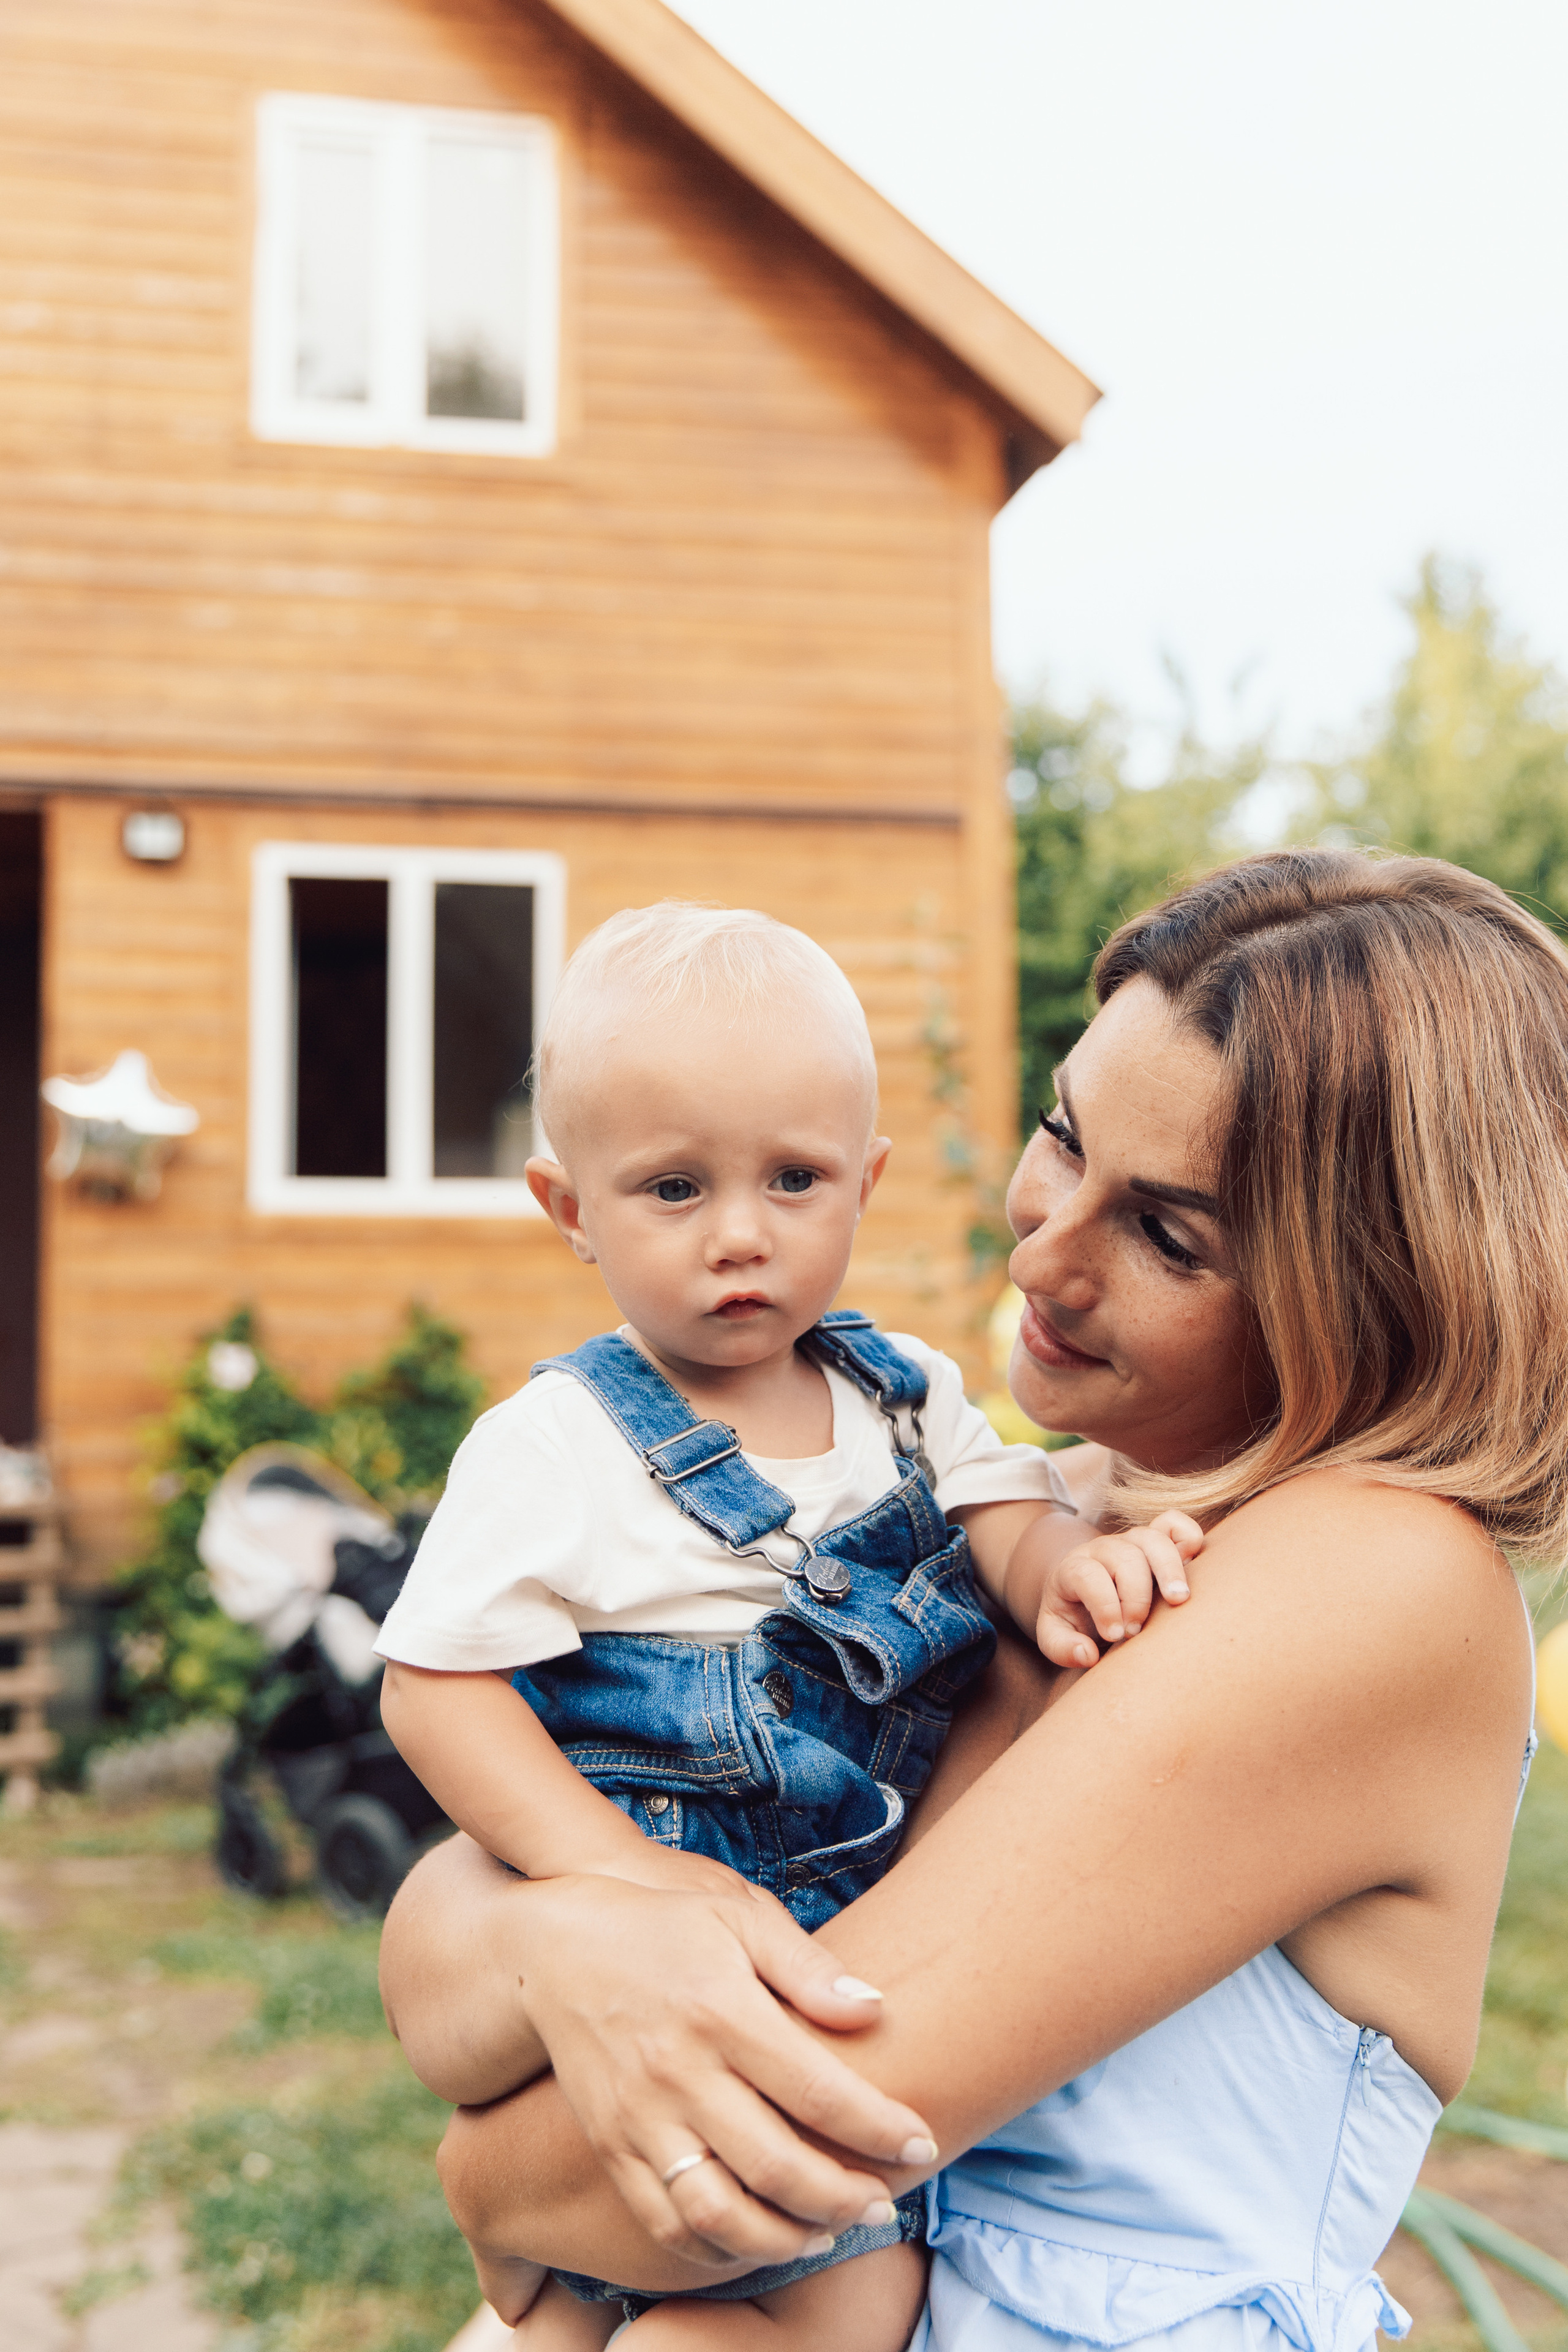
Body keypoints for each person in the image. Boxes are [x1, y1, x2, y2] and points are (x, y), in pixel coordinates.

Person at [380, 849, 1556, 2352]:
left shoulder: (1373, 1579)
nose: (1044, 1248)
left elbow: (769, 2138)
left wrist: (492, 2164)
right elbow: (437, 1936)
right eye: (1064, 1139)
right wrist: (574, 1951)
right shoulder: (1017, 1523)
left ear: (1370, 1291)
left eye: (1166, 1233)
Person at [374, 903, 1200, 2350]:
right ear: (571, 1211)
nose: (742, 1237)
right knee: (608, 2297)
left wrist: (1063, 1565)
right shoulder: (558, 1442)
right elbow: (437, 1687)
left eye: (793, 1179)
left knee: (841, 2297)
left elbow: (1000, 1513)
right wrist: (613, 1877)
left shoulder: (904, 1397)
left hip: (831, 1959)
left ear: (863, 1181)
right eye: (673, 1190)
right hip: (654, 1937)